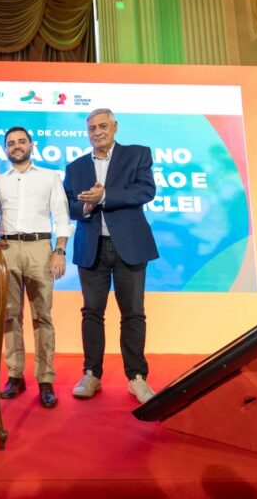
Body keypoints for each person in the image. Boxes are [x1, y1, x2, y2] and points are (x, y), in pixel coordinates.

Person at [63, 108, 159, 404]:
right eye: (92, 128)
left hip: (129, 246)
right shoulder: (75, 167)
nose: (97, 132)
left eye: (103, 126)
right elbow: (69, 205)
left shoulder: (137, 155)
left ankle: (137, 377)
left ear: (115, 127)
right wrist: (86, 206)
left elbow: (146, 191)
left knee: (133, 312)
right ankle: (91, 373)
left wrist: (104, 196)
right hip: (91, 248)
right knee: (91, 312)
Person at [0, 127, 71, 408]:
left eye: (21, 142)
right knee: (9, 316)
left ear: (31, 145)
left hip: (40, 247)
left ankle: (45, 379)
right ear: (5, 149)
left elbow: (61, 216)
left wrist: (59, 251)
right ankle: (15, 375)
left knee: (42, 316)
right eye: (11, 143)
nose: (16, 146)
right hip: (6, 249)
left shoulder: (50, 177)